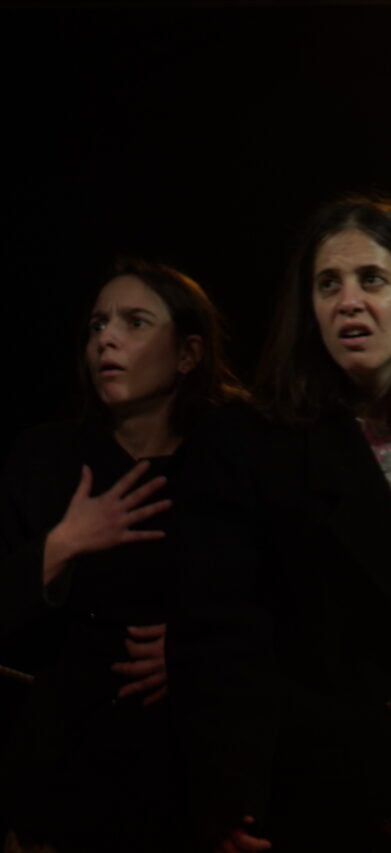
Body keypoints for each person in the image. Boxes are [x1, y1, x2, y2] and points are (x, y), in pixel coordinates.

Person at [167, 195, 391, 851]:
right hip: (318, 795)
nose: (348, 302)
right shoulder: (247, 442)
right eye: (328, 284)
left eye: (371, 279)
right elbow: (218, 636)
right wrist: (230, 785)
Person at [0, 259, 245, 852]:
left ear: (188, 354)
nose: (106, 338)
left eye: (135, 322)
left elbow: (288, 607)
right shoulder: (44, 457)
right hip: (63, 786)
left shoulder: (235, 460)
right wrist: (64, 542)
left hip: (188, 790)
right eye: (98, 324)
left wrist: (193, 651)